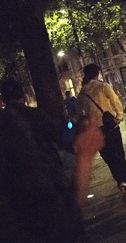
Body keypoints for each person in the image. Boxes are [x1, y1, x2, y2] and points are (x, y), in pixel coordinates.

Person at [0, 78, 103, 242]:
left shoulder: (6, 120)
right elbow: (61, 135)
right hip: (45, 181)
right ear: (23, 95)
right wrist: (84, 154)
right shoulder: (31, 116)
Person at [77, 64, 126, 197]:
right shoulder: (102, 86)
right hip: (110, 126)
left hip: (95, 130)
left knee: (108, 157)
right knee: (119, 155)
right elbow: (116, 101)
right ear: (97, 73)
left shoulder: (82, 93)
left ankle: (120, 180)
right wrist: (119, 116)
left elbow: (81, 114)